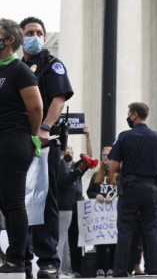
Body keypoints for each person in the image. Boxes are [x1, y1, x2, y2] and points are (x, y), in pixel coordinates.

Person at [20, 16, 73, 279]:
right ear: (19, 38)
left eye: (39, 32)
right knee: (16, 202)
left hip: (43, 144)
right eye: (29, 32)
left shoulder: (52, 64)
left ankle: (48, 261)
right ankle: (20, 259)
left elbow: (59, 99)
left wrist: (46, 127)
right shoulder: (14, 67)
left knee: (43, 201)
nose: (35, 36)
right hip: (16, 143)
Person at [0, 18, 43, 278]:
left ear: (9, 40)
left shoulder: (20, 70)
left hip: (15, 140)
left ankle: (17, 260)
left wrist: (31, 135)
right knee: (5, 203)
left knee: (14, 203)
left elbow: (36, 108)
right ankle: (16, 256)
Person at [109, 102, 157, 277]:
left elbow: (113, 167)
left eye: (129, 114)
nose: (128, 117)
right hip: (151, 188)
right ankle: (154, 270)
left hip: (129, 189)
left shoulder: (124, 137)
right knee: (151, 230)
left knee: (125, 231)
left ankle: (120, 271)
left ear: (134, 115)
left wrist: (129, 170)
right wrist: (149, 170)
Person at [56, 142, 90, 278]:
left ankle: (63, 270)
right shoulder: (61, 164)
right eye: (66, 153)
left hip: (67, 207)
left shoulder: (61, 164)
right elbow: (65, 181)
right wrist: (78, 170)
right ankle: (59, 270)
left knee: (64, 240)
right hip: (63, 207)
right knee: (61, 238)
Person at [87, 146, 118, 277]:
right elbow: (90, 191)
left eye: (108, 155)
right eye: (103, 155)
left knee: (113, 241)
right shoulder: (96, 174)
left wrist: (114, 196)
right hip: (99, 214)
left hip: (113, 213)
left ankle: (111, 267)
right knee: (99, 240)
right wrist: (96, 195)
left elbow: (123, 191)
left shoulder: (118, 174)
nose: (105, 157)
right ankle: (100, 268)